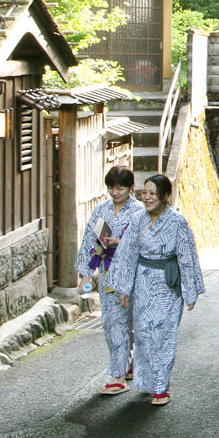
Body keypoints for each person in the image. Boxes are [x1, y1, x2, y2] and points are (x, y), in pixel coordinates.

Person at [103, 172, 204, 405]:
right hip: (143, 282)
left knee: (163, 335)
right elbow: (127, 255)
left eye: (152, 193)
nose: (147, 198)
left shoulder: (177, 221)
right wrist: (123, 289)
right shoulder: (138, 219)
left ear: (165, 196)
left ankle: (161, 387)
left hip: (168, 285)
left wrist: (189, 291)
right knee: (144, 335)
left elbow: (187, 257)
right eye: (144, 193)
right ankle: (147, 381)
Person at [76, 166, 148, 396]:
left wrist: (121, 242)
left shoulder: (140, 211)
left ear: (131, 187)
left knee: (135, 322)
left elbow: (147, 242)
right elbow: (90, 241)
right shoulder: (101, 209)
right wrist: (86, 275)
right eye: (111, 187)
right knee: (112, 322)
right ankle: (119, 372)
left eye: (121, 187)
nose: (115, 192)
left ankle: (128, 368)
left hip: (133, 274)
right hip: (108, 274)